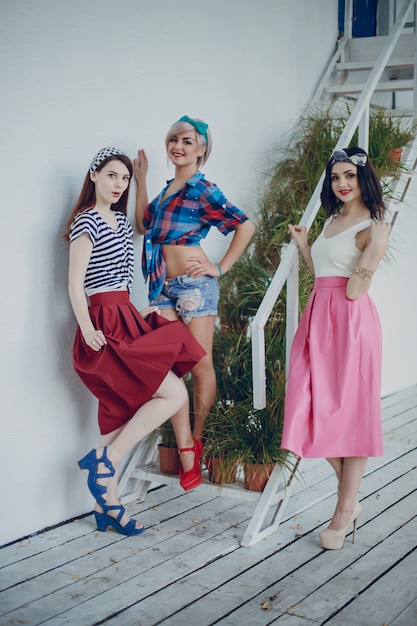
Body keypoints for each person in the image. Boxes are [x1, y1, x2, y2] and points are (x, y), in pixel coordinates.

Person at [63, 147, 206, 536]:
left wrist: (137, 308)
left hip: (126, 313)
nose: (118, 185)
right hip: (102, 321)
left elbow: (134, 256)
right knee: (171, 394)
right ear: (93, 175)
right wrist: (86, 325)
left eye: (123, 179)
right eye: (112, 176)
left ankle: (105, 502)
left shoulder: (122, 223)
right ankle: (107, 461)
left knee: (122, 406)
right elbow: (76, 282)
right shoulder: (85, 222)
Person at [281, 147, 392, 550]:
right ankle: (352, 498)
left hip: (351, 322)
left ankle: (344, 510)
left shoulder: (372, 227)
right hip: (319, 317)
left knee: (350, 413)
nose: (342, 183)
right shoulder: (333, 219)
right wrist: (306, 246)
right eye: (335, 177)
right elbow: (324, 274)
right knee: (305, 405)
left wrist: (376, 250)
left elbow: (354, 288)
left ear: (364, 179)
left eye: (349, 175)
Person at [134, 115, 255, 441]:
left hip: (194, 285)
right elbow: (143, 226)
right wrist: (141, 182)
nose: (178, 146)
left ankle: (198, 441)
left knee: (200, 365)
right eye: (174, 139)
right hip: (162, 288)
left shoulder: (203, 190)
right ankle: (181, 439)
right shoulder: (166, 191)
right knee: (172, 364)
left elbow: (245, 225)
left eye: (187, 141)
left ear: (202, 149)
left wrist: (220, 266)